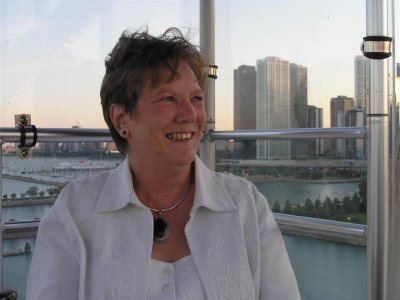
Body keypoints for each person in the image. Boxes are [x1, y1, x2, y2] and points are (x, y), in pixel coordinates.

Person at [26, 27, 301, 300]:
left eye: (196, 98)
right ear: (121, 119)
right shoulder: (75, 213)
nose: (190, 114)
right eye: (168, 98)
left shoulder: (246, 205)